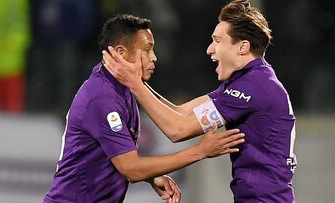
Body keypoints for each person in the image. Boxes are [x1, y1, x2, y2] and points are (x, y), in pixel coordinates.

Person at [102, 0, 297, 202]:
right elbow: (181, 112)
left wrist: (133, 83)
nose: (210, 50)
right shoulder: (247, 80)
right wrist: (137, 79)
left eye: (218, 41)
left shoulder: (253, 87)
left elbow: (178, 130)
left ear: (242, 47)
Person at [43, 14, 245, 203]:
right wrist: (200, 151)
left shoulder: (125, 85)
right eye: (147, 49)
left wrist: (152, 176)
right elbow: (131, 169)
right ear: (121, 53)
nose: (154, 57)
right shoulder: (102, 98)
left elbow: (177, 113)